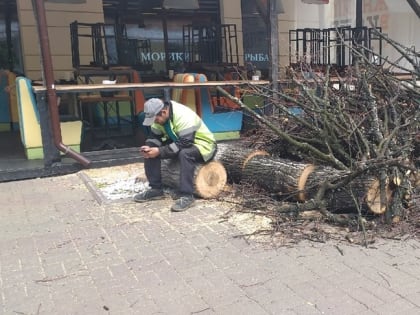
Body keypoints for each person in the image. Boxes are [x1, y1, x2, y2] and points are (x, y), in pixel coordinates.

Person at [134, 98, 217, 212]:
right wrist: (149, 148)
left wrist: (159, 151)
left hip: (204, 145)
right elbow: (154, 138)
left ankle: (187, 196)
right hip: (181, 141)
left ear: (163, 112)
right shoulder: (160, 118)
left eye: (155, 119)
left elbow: (185, 142)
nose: (155, 122)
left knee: (185, 154)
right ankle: (156, 189)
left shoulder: (183, 115)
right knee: (150, 152)